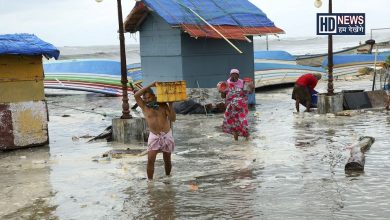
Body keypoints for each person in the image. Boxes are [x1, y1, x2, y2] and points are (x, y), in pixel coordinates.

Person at [134, 82, 176, 180]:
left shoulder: (162, 105)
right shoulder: (144, 106)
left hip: (166, 135)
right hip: (154, 136)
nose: (147, 100)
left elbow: (173, 119)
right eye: (145, 98)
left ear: (153, 96)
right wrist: (150, 85)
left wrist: (170, 105)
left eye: (149, 98)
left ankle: (168, 178)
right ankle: (150, 182)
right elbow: (136, 95)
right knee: (150, 159)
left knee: (167, 160)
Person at [221, 69, 249, 141]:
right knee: (233, 124)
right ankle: (236, 141)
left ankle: (247, 138)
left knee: (243, 122)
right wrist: (221, 91)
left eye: (235, 74)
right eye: (232, 74)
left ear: (238, 75)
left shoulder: (243, 82)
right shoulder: (226, 83)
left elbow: (247, 93)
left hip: (240, 107)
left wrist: (250, 86)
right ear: (230, 75)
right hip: (231, 108)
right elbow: (223, 96)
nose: (234, 76)